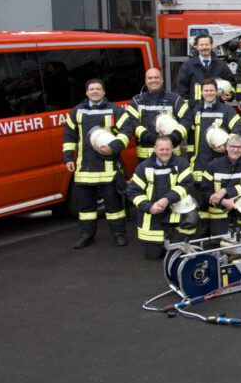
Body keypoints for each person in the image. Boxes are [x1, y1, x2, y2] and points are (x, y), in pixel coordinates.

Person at [62, 78, 130, 249]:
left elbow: (127, 130)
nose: (94, 91)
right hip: (84, 169)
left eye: (98, 89)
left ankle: (118, 234)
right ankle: (87, 235)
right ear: (86, 92)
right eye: (91, 89)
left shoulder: (115, 110)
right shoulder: (77, 112)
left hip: (108, 168)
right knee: (85, 208)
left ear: (104, 92)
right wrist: (68, 158)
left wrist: (114, 147)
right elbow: (69, 136)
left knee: (114, 206)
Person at [125, 135, 197, 259]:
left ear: (173, 149)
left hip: (175, 215)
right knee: (153, 255)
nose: (164, 152)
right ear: (155, 149)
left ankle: (174, 240)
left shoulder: (181, 164)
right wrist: (149, 206)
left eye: (167, 149)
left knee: (176, 255)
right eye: (161, 149)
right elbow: (133, 191)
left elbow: (187, 185)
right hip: (153, 217)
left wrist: (167, 199)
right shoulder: (144, 167)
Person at [200, 134, 241, 238]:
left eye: (239, 147)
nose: (235, 150)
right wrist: (223, 202)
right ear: (227, 147)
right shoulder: (213, 165)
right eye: (232, 146)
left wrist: (225, 191)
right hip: (219, 210)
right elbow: (204, 191)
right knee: (220, 244)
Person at [125, 67, 190, 161]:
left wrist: (174, 136)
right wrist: (147, 137)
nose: (153, 80)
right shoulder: (137, 100)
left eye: (156, 77)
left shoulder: (175, 99)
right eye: (150, 78)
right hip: (145, 156)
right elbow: (132, 122)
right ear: (146, 81)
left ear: (162, 80)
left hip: (171, 155)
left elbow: (186, 119)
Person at [188, 78, 241, 183]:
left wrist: (227, 145)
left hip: (221, 160)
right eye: (206, 90)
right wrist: (191, 157)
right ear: (201, 92)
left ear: (216, 91)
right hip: (200, 162)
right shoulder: (196, 111)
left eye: (211, 90)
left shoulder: (227, 110)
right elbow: (191, 137)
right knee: (202, 194)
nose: (209, 93)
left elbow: (238, 127)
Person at [174, 33, 236, 106]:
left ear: (212, 46)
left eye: (207, 44)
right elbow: (181, 89)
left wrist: (230, 94)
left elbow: (231, 83)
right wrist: (186, 109)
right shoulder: (188, 65)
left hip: (217, 108)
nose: (204, 47)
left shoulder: (220, 64)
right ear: (196, 46)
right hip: (195, 108)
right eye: (201, 45)